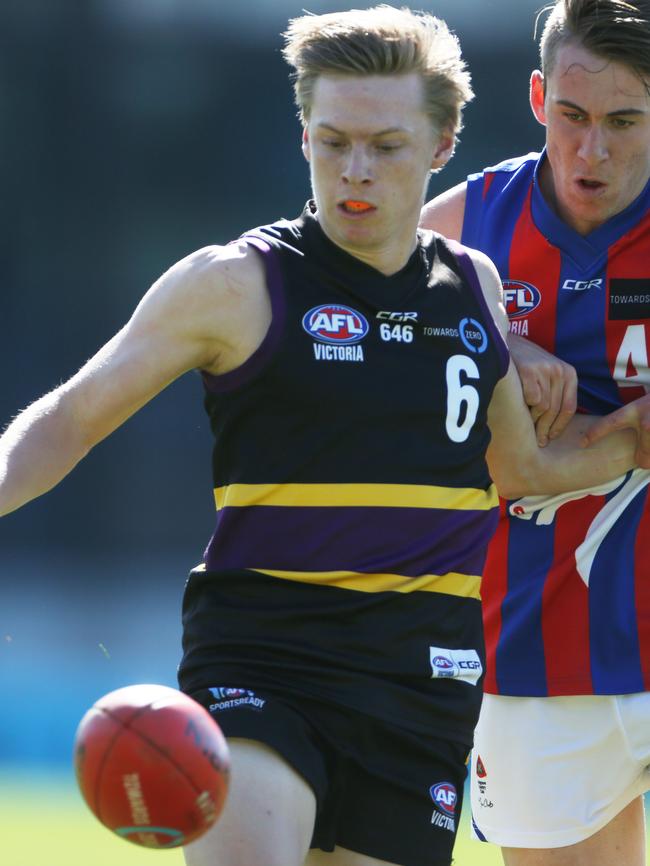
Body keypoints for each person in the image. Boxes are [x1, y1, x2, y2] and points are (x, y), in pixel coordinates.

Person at [0, 7, 639, 866]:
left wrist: (629, 438)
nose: (355, 171)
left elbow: (521, 469)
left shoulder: (473, 290)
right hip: (267, 665)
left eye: (385, 144)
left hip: (423, 690)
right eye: (332, 142)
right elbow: (70, 419)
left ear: (443, 143)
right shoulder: (233, 284)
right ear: (303, 136)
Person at [420, 1, 650, 864]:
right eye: (574, 117)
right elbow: (339, 288)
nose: (594, 151)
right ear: (536, 96)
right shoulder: (466, 228)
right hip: (538, 655)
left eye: (625, 122)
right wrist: (493, 336)